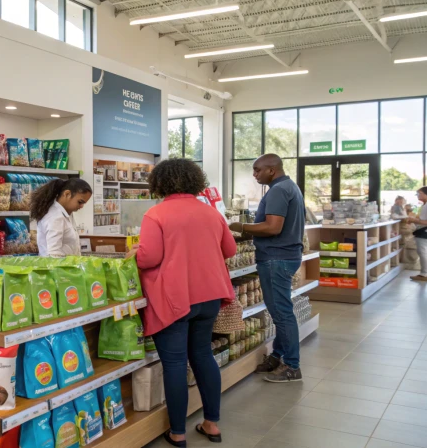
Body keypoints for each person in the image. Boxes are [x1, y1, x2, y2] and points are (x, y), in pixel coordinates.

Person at [127, 159, 236, 446]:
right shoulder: (211, 213)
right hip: (209, 294)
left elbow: (150, 258)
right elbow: (230, 249)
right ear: (195, 180)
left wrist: (135, 253)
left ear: (160, 183)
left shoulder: (156, 214)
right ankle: (211, 423)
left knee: (174, 363)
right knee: (202, 355)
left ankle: (178, 433)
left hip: (175, 298)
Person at [229, 153, 305, 383]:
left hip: (276, 258)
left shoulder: (278, 190)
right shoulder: (290, 187)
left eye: (257, 170)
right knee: (280, 311)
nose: (254, 174)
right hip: (285, 256)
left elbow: (273, 228)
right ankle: (278, 356)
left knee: (281, 313)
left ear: (272, 170)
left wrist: (241, 226)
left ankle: (292, 367)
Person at [30, 178, 92, 257]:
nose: (82, 206)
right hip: (56, 268)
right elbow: (54, 254)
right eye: (80, 202)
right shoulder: (55, 217)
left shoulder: (67, 213)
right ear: (67, 194)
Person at [407, 186, 427, 281]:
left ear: (426, 194)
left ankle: (424, 274)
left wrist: (415, 221)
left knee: (423, 253)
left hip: (426, 232)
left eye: (419, 193)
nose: (418, 195)